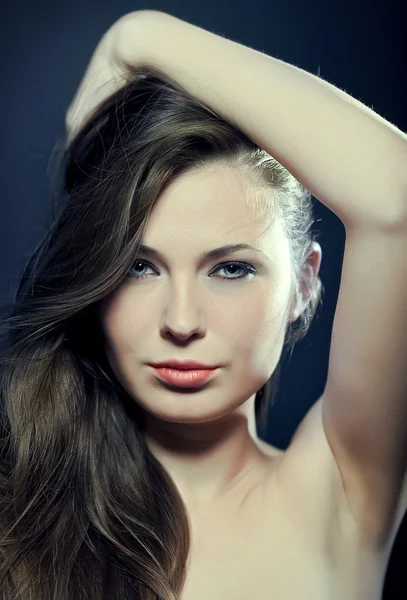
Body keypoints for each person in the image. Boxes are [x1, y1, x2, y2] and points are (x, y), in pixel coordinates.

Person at [1, 10, 406, 600]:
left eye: (231, 269)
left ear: (303, 285)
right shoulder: (20, 511)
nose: (182, 323)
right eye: (140, 267)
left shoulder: (339, 496)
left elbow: (396, 194)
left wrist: (138, 38)